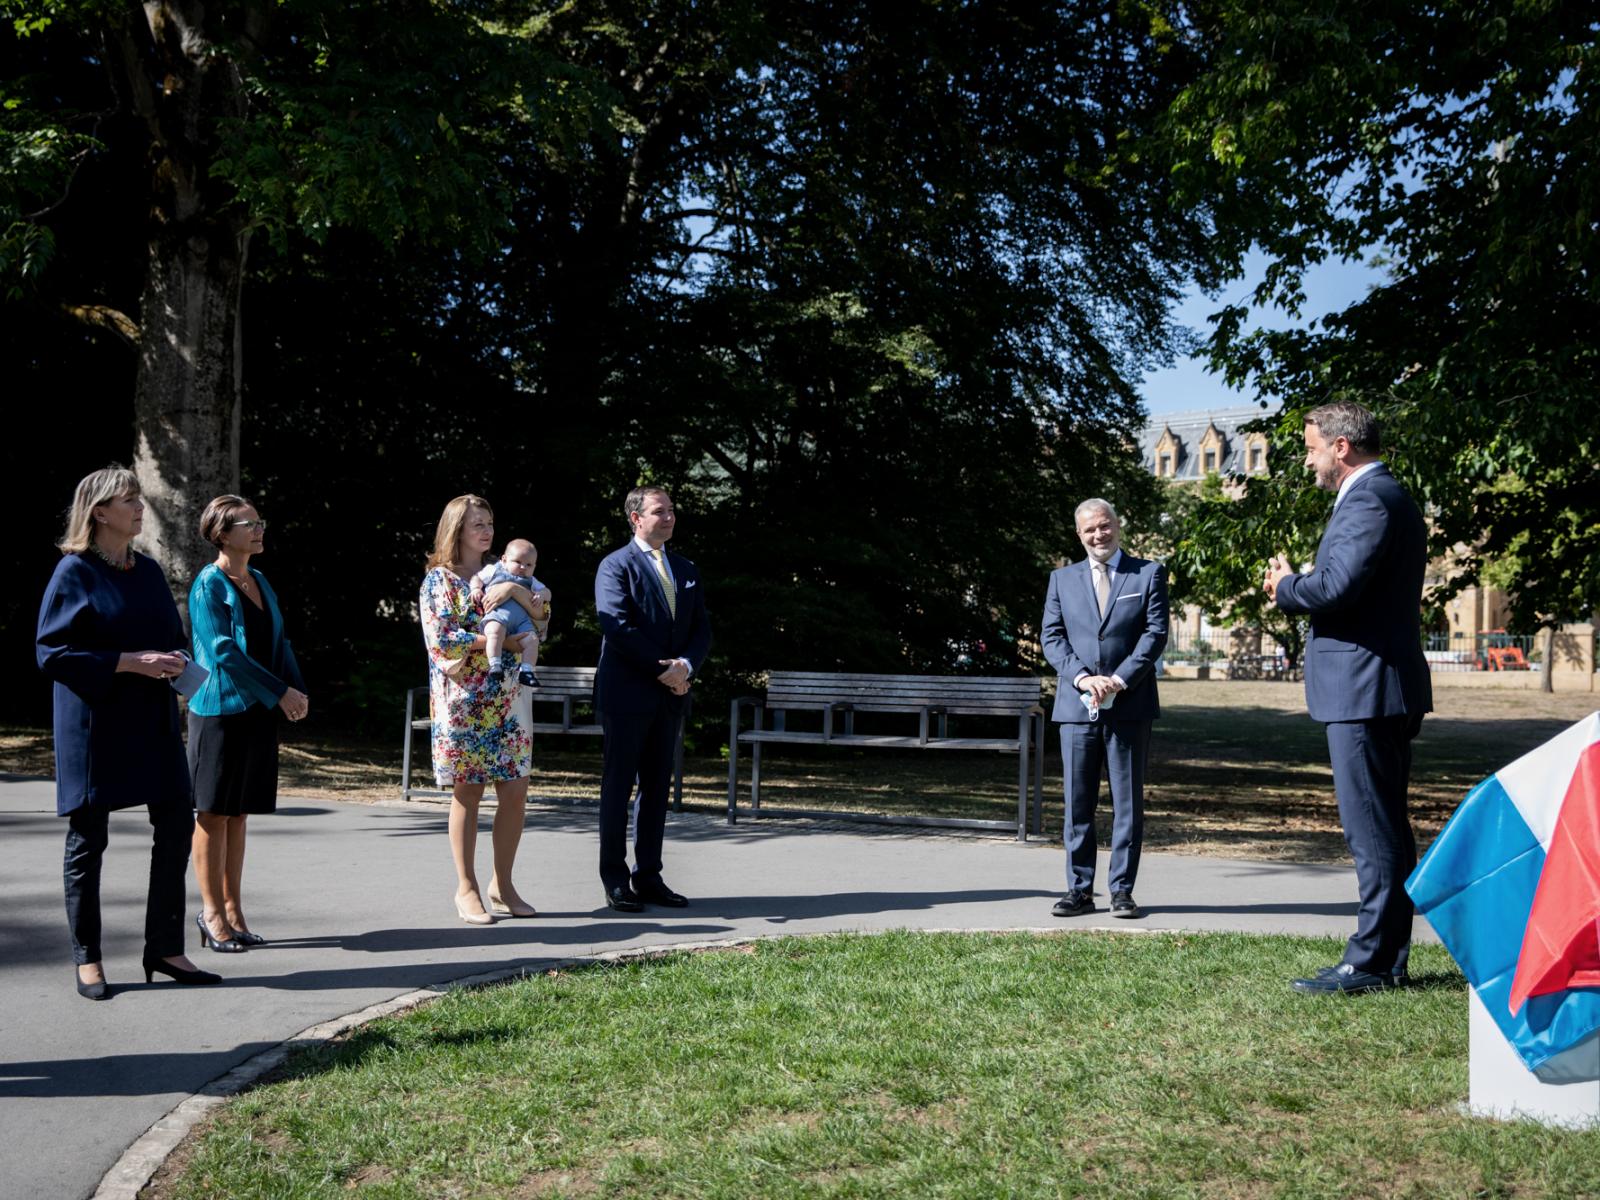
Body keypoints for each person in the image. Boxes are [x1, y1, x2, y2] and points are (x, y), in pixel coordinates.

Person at [1266, 400, 1431, 995]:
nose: (1307, 458)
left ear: (1342, 447)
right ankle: (1384, 958)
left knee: (1374, 831)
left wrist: (1287, 586)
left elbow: (1336, 587)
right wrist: (1309, 579)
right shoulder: (1383, 496)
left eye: (1311, 447)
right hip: (1374, 685)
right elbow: (1352, 583)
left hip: (1367, 688)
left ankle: (1370, 963)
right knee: (1382, 827)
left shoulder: (1368, 497)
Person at [36, 466, 220, 997]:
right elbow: (52, 652)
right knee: (88, 840)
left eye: (140, 498)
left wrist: (176, 661)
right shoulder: (73, 572)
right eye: (129, 500)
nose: (140, 507)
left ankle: (164, 948)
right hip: (95, 724)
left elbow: (170, 635)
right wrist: (128, 662)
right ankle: (87, 959)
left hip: (152, 720)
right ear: (99, 512)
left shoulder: (148, 570)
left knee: (176, 825)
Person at [186, 495, 309, 953]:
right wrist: (279, 692)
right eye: (248, 523)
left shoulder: (259, 579)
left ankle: (234, 911)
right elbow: (221, 651)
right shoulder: (207, 585)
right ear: (222, 533)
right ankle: (210, 912)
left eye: (261, 521)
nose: (259, 529)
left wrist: (295, 689)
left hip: (257, 711)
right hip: (218, 710)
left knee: (238, 814)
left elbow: (280, 640)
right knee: (212, 811)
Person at [1040, 498, 1169, 920]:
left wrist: (1119, 678)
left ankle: (1122, 892)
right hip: (1077, 709)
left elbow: (1155, 633)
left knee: (1128, 806)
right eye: (1091, 529)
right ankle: (1079, 890)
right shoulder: (1061, 579)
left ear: (1118, 526)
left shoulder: (1148, 573)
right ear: (1079, 535)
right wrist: (1082, 677)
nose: (1100, 534)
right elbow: (1052, 637)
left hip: (1130, 705)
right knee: (1078, 806)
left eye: (1106, 526)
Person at [419, 495, 538, 924]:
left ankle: (502, 884)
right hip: (465, 701)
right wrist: (503, 641)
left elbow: (541, 620)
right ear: (456, 530)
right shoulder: (439, 581)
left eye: (489, 522)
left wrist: (515, 593)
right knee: (467, 792)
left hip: (509, 698)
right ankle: (466, 887)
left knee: (515, 792)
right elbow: (443, 640)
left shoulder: (506, 572)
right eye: (477, 524)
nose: (486, 531)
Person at [593, 485, 712, 912]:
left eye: (672, 511)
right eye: (659, 511)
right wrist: (666, 670)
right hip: (628, 694)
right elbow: (618, 627)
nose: (669, 518)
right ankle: (615, 880)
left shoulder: (686, 568)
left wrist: (686, 667)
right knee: (618, 787)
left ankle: (649, 877)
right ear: (635, 518)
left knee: (657, 789)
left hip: (671, 696)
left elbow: (702, 630)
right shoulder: (615, 566)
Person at [458, 538, 551, 687]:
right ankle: (495, 665)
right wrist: (475, 588)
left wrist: (542, 595)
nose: (523, 567)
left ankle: (527, 671)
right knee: (494, 632)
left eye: (529, 565)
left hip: (522, 621)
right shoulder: (494, 569)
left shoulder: (532, 581)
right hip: (498, 615)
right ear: (504, 559)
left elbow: (547, 592)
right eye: (518, 562)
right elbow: (477, 578)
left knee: (532, 640)